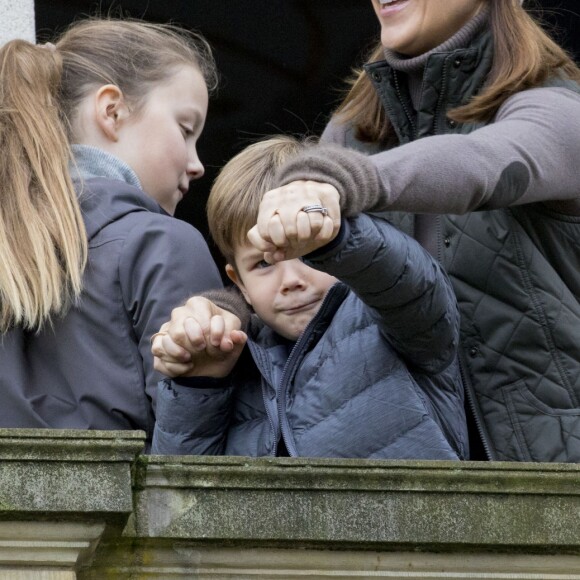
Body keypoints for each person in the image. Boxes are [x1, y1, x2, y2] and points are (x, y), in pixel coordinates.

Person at [216, 0, 580, 462]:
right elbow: (312, 311)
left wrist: (348, 182)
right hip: (416, 495)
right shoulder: (352, 134)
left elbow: (484, 165)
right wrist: (224, 312)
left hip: (557, 485)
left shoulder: (558, 107)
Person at [151, 136, 468, 460]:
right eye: (264, 263)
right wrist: (201, 382)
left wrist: (343, 237)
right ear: (239, 283)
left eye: (308, 252)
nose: (291, 280)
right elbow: (179, 498)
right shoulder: (238, 361)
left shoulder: (392, 318)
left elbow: (411, 283)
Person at [0, 18, 223, 441]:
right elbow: (190, 469)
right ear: (112, 111)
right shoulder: (163, 244)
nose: (197, 165)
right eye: (186, 129)